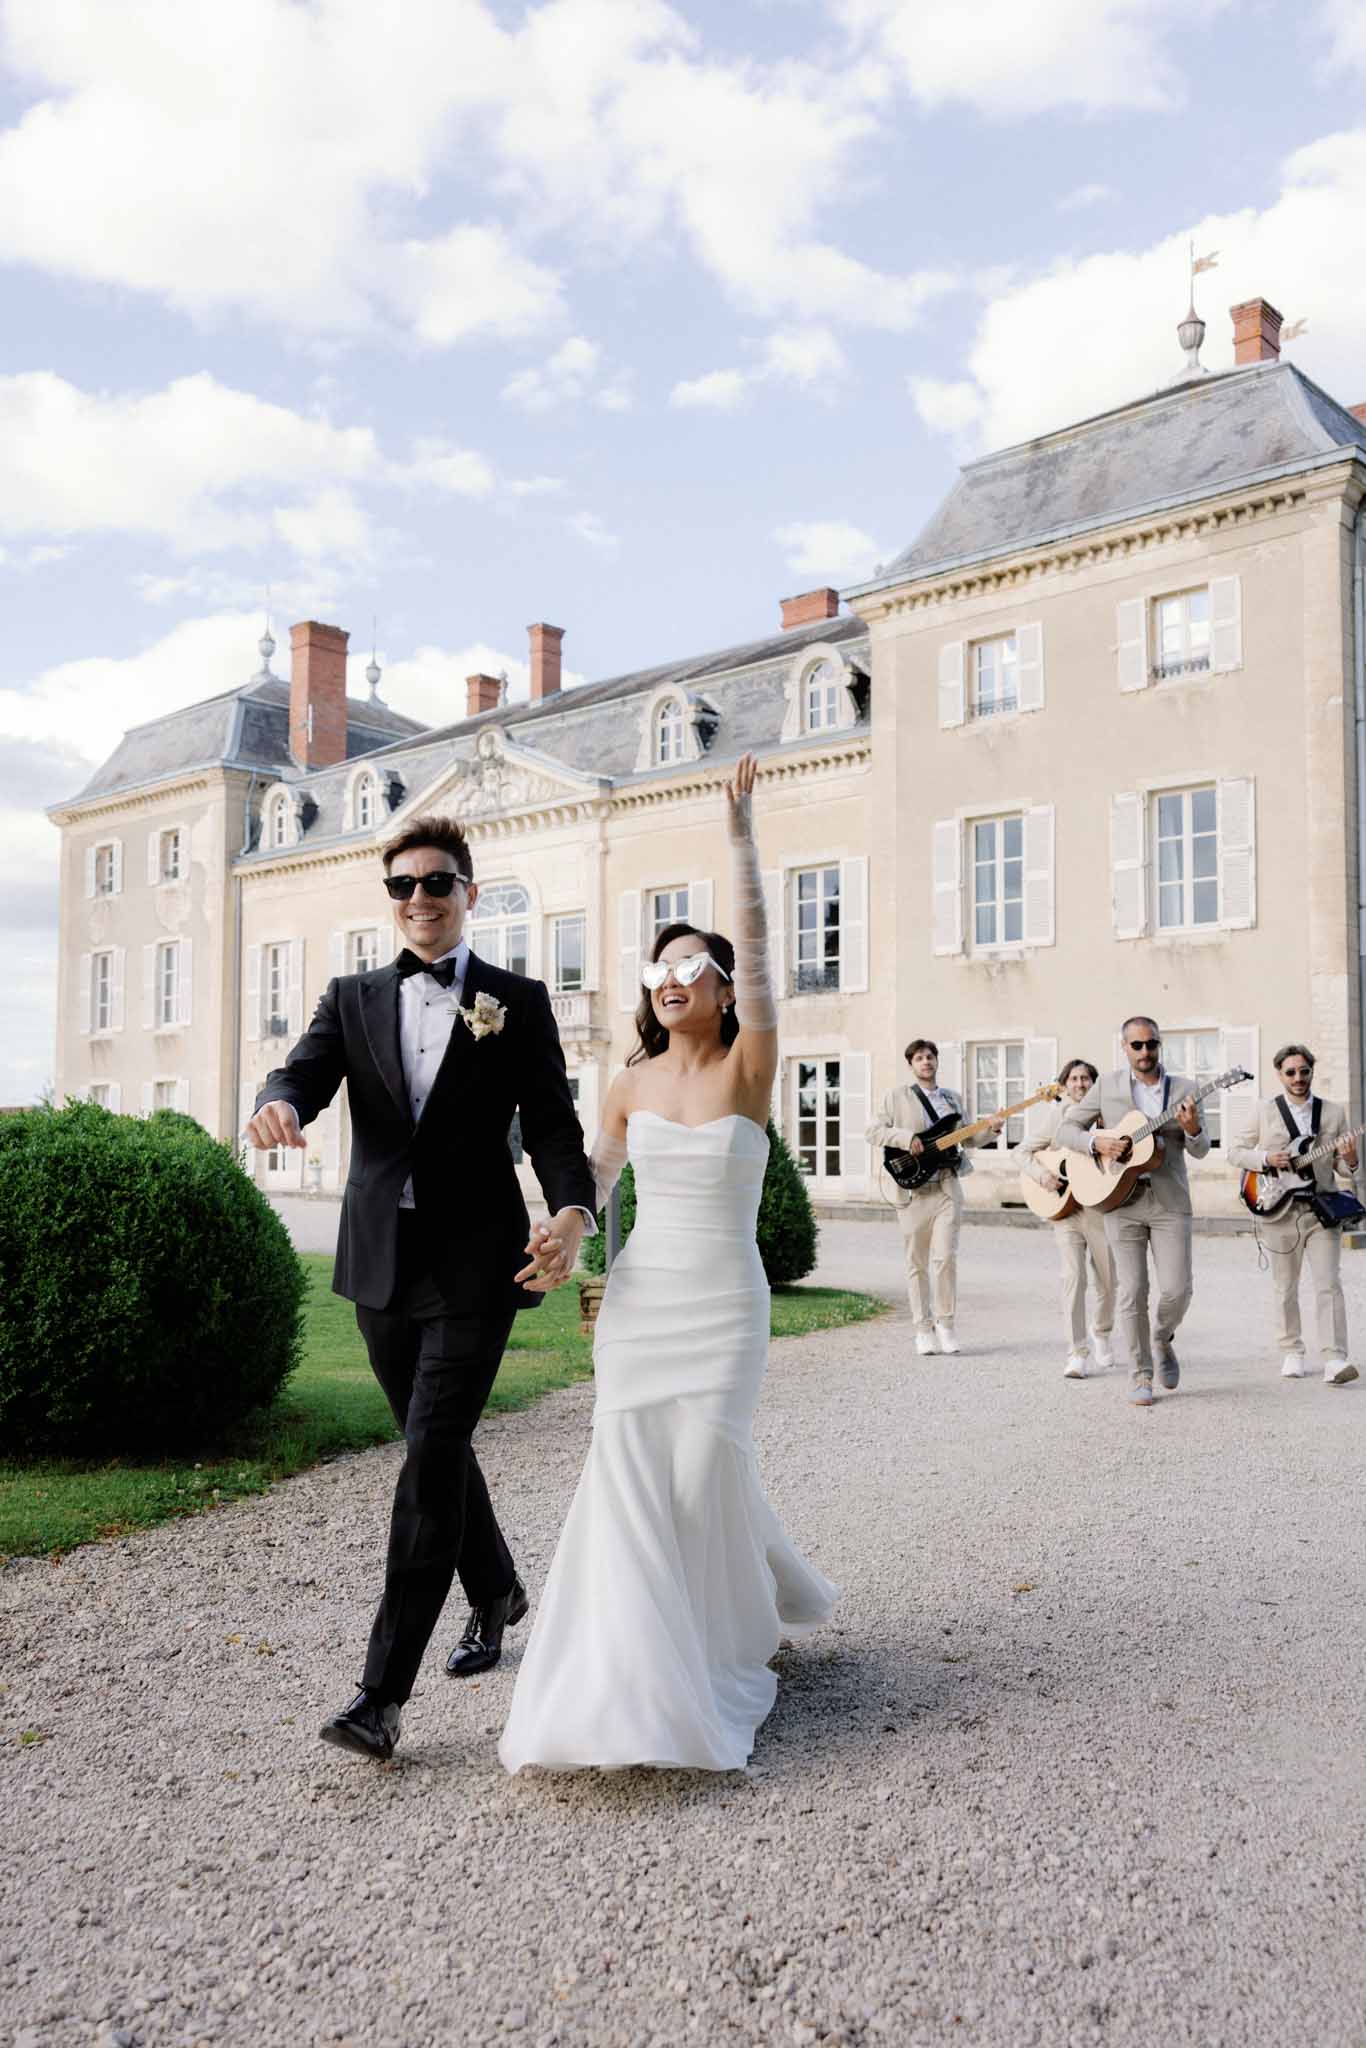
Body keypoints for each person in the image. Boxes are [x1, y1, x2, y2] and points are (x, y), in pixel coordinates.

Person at [499, 754, 836, 1774]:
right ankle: (638, 1680)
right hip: (644, 1301)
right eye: (664, 967)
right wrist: (562, 1236)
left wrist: (738, 838)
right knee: (636, 1478)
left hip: (726, 1301)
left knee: (700, 1471)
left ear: (724, 987)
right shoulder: (628, 1079)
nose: (677, 977)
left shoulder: (750, 1064)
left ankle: (723, 1634)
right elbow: (591, 1185)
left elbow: (765, 955)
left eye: (697, 964)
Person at [245, 814, 596, 1762]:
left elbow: (556, 1129)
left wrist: (572, 1214)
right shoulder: (353, 994)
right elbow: (303, 1072)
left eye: (437, 883)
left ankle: (380, 1697)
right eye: (401, 886)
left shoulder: (516, 1001)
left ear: (468, 894)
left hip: (480, 1265)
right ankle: (498, 1591)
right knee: (429, 1444)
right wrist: (275, 1101)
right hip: (377, 1265)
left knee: (429, 1455)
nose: (419, 900)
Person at [1055, 1017, 1208, 1408]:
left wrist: (1191, 1129)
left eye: (1151, 1044)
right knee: (1132, 1290)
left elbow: (1201, 1148)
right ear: (1124, 1047)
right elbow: (1066, 1131)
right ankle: (1140, 1373)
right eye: (1136, 1045)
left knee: (1177, 1288)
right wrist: (1097, 1144)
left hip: (1169, 1200)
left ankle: (1162, 1336)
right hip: (1118, 1201)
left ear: (1160, 1045)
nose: (1145, 1052)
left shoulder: (1186, 1090)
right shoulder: (1106, 1085)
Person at [1226, 1043, 1360, 1386]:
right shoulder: (1263, 1110)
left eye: (1304, 1071)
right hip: (1278, 1210)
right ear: (1280, 1075)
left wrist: (1352, 1159)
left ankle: (1334, 1358)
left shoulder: (1333, 1113)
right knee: (1285, 1286)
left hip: (1321, 1211)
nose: (1298, 1078)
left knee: (1329, 1284)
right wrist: (1266, 1160)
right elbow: (1235, 1152)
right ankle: (1292, 1351)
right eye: (1291, 1072)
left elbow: (1343, 1168)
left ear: (1312, 1071)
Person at [865, 1041, 1004, 1356]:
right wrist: (907, 1138)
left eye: (930, 1057)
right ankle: (922, 1329)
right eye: (919, 1058)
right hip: (912, 1191)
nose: (925, 1062)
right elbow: (873, 1131)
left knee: (945, 1259)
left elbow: (968, 1138)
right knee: (916, 1263)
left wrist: (992, 1130)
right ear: (911, 1064)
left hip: (946, 1187)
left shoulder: (951, 1099)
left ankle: (946, 1324)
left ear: (937, 1061)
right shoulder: (896, 1097)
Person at [1019, 1058, 1116, 1379]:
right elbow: (1022, 1151)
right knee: (1073, 1279)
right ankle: (1077, 1352)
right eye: (1073, 1079)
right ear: (1065, 1084)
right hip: (1067, 1210)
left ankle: (1101, 1330)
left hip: (1100, 1209)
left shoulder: (1108, 1116)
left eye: (1086, 1078)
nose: (1080, 1084)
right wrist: (1042, 1176)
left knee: (1109, 1281)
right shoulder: (1057, 1116)